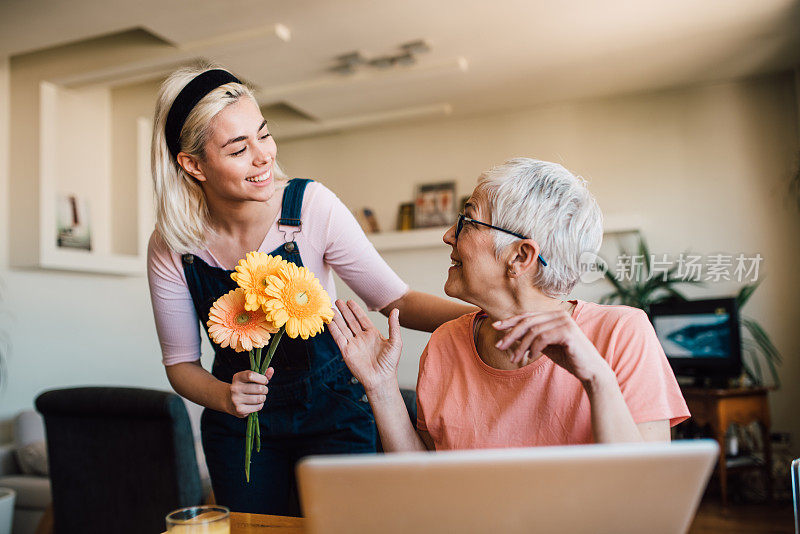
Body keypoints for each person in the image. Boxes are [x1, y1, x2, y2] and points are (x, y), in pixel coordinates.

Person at [146, 63, 473, 515]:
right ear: (193, 164)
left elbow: (395, 301)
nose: (263, 156)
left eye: (263, 134)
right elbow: (180, 363)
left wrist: (488, 316)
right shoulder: (173, 245)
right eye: (239, 148)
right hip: (241, 434)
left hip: (335, 416)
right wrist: (225, 396)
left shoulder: (309, 207)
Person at [329, 157, 690, 452]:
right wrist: (381, 386)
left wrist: (597, 378)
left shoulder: (622, 333)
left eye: (467, 221)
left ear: (520, 255)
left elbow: (643, 492)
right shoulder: (444, 344)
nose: (448, 236)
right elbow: (424, 481)